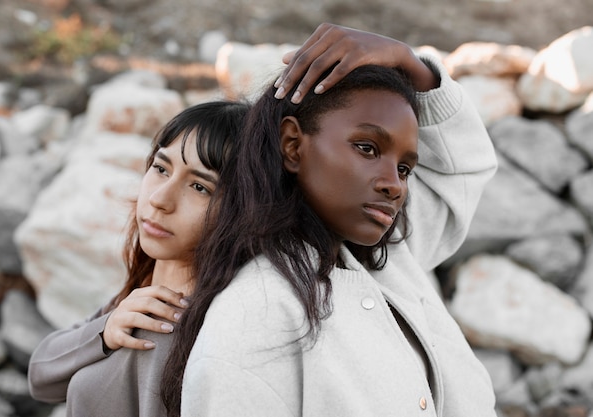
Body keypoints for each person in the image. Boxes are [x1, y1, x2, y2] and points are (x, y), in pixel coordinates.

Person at [161, 23, 499, 416]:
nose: (395, 185)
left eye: (405, 168)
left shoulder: (391, 260)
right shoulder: (254, 318)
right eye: (367, 148)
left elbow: (462, 170)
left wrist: (411, 64)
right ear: (292, 145)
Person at [27, 100, 250, 416]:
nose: (160, 199)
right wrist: (105, 330)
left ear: (242, 210)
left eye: (200, 187)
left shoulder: (169, 326)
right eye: (161, 169)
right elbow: (40, 377)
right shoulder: (145, 297)